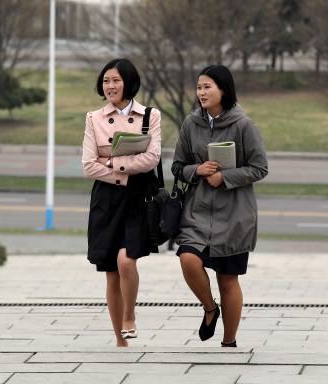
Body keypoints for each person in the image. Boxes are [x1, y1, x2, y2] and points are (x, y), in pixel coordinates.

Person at [171, 64, 268, 347]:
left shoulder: (244, 125)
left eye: (207, 87)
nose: (201, 92)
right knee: (188, 259)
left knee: (228, 280)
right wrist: (197, 170)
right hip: (197, 212)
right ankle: (210, 308)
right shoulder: (191, 124)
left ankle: (229, 342)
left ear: (223, 90)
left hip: (235, 215)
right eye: (199, 87)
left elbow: (260, 168)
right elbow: (177, 166)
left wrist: (224, 176)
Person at [82, 58, 161, 346]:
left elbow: (152, 158)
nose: (110, 85)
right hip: (106, 199)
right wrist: (127, 167)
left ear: (129, 82)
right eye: (106, 81)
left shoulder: (149, 116)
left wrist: (112, 161)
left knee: (126, 261)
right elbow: (89, 166)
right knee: (111, 272)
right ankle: (120, 339)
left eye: (115, 80)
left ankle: (130, 316)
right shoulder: (94, 118)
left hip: (139, 197)